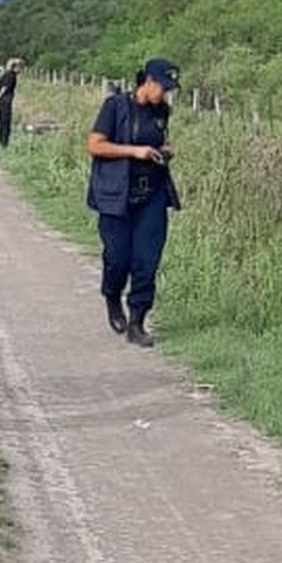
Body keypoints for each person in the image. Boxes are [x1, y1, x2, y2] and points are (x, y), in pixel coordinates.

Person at [85, 58, 182, 348]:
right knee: (118, 258)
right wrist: (135, 152)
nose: (164, 94)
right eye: (162, 87)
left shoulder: (162, 111)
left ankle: (137, 321)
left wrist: (164, 151)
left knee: (146, 261)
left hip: (152, 193)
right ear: (148, 81)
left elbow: (159, 140)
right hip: (116, 194)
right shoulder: (115, 106)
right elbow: (95, 145)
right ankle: (112, 298)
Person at [0, 58, 22, 148]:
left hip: (0, 102)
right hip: (6, 101)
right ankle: (4, 144)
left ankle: (1, 141)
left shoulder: (4, 74)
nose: (21, 70)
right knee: (6, 123)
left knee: (1, 122)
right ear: (16, 67)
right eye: (20, 67)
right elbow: (5, 87)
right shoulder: (11, 75)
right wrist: (0, 95)